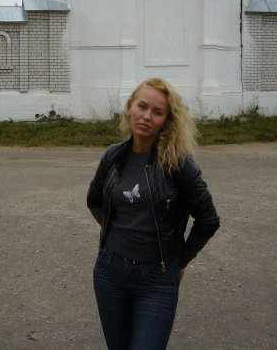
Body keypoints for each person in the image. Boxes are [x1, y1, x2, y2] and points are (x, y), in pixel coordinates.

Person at [87, 78, 220, 350]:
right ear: (130, 108)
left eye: (157, 112)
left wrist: (179, 261)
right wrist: (117, 232)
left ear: (166, 121)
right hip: (110, 274)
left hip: (157, 280)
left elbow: (208, 220)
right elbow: (94, 200)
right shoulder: (113, 157)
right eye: (142, 106)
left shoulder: (178, 163)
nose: (147, 116)